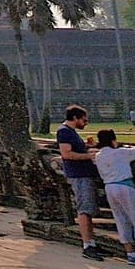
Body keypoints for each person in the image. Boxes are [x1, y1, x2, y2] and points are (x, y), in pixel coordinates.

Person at [57, 105, 104, 260]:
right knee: (84, 210)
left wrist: (86, 147)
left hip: (83, 174)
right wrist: (90, 156)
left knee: (88, 209)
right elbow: (66, 154)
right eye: (84, 119)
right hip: (79, 175)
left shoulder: (70, 132)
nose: (86, 123)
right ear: (75, 118)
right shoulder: (64, 131)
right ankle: (87, 245)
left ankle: (92, 243)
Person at [94, 129, 135, 265]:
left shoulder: (99, 156)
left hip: (109, 187)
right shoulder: (121, 152)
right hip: (125, 186)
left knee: (121, 219)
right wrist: (128, 147)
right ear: (113, 140)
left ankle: (130, 253)